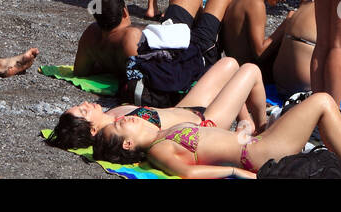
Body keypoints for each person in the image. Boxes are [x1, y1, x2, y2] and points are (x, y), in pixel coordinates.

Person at [92, 84, 341, 179]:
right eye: (120, 126)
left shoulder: (162, 134)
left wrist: (244, 125)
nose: (126, 119)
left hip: (255, 143)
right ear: (129, 144)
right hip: (258, 154)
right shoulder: (158, 150)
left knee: (311, 103)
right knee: (322, 101)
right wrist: (236, 174)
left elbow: (213, 139)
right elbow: (188, 173)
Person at [47, 57, 268, 151]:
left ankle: (245, 120)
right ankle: (263, 128)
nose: (87, 102)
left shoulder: (113, 114)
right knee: (250, 70)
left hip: (186, 108)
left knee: (229, 63)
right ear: (93, 130)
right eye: (84, 110)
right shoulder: (121, 134)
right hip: (207, 123)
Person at [75, 0, 232, 103]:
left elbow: (80, 71)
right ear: (125, 12)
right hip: (195, 53)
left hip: (172, 36)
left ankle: (204, 23)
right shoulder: (130, 37)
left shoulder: (91, 34)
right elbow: (158, 74)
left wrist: (106, 65)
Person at [220, 0, 295, 75]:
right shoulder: (256, 4)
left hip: (234, 66)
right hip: (246, 72)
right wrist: (286, 24)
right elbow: (260, 52)